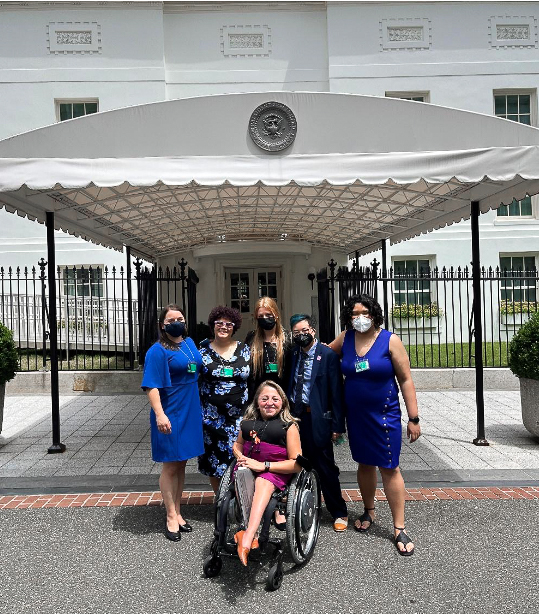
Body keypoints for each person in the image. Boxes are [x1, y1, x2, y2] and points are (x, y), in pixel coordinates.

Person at [329, 294, 421, 556]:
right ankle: (369, 510)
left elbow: (405, 379)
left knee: (389, 466)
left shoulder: (389, 340)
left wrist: (413, 418)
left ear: (374, 314)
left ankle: (399, 527)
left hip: (384, 414)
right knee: (364, 462)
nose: (360, 318)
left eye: (365, 313)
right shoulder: (345, 338)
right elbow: (323, 353)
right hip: (356, 415)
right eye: (355, 314)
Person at [141, 304, 204, 542]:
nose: (176, 322)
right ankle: (169, 516)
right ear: (162, 325)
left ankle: (178, 511)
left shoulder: (188, 343)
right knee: (169, 465)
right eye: (171, 320)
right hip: (171, 410)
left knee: (181, 463)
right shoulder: (156, 351)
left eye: (180, 318)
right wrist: (160, 414)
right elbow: (151, 385)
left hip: (190, 407)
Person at [286, 314, 349, 532]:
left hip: (318, 419)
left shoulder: (328, 355)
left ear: (313, 330)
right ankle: (308, 506)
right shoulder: (293, 354)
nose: (301, 335)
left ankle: (339, 511)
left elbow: (336, 393)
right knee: (299, 464)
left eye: (304, 330)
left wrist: (337, 426)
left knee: (325, 467)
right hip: (296, 418)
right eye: (296, 332)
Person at [232, 381, 302, 566]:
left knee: (263, 481)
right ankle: (248, 531)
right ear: (257, 402)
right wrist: (240, 457)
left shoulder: (289, 426)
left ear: (283, 402)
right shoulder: (247, 424)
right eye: (264, 399)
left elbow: (297, 464)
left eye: (274, 399)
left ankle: (249, 535)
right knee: (240, 474)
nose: (269, 403)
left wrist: (264, 465)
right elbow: (237, 445)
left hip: (275, 470)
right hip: (249, 467)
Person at [198, 305, 250, 492]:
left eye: (229, 324)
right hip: (211, 420)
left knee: (239, 460)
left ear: (234, 327)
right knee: (214, 462)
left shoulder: (244, 349)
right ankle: (220, 500)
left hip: (239, 418)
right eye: (219, 323)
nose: (224, 326)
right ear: (213, 325)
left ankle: (239, 500)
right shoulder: (202, 352)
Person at [245, 297, 289, 402]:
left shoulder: (287, 339)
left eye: (268, 315)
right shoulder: (251, 338)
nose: (265, 318)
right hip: (257, 397)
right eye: (261, 316)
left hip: (282, 396)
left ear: (276, 315)